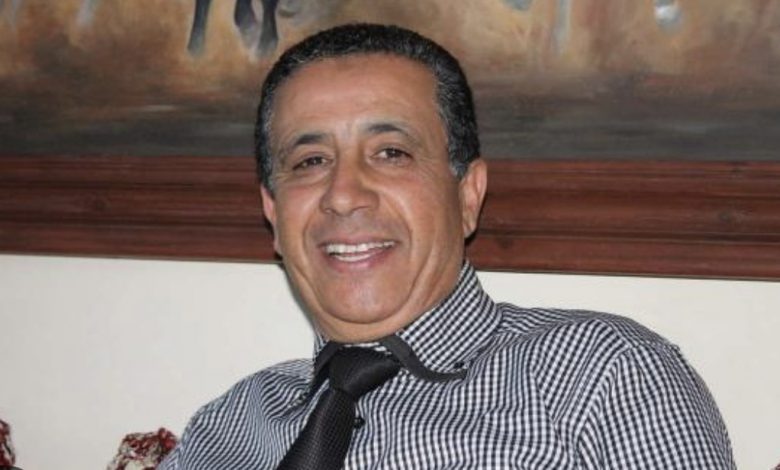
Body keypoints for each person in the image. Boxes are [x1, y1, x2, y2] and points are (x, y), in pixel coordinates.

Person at [160, 23, 735, 469]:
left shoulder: (606, 378)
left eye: (391, 153)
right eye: (311, 161)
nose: (343, 195)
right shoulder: (227, 427)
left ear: (467, 195)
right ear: (273, 212)